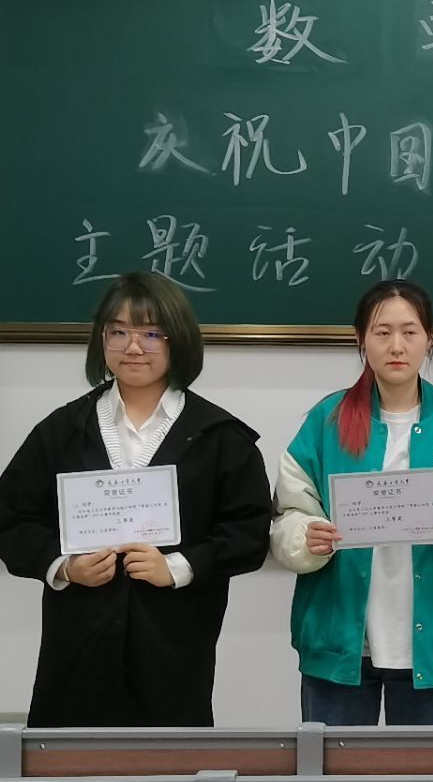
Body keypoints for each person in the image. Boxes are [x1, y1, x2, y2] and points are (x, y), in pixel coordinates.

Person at [0, 272, 270, 727]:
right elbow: (12, 519)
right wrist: (64, 567)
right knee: (69, 763)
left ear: (178, 339)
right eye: (118, 332)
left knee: (168, 764)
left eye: (151, 333)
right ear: (101, 340)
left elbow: (248, 533)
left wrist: (178, 567)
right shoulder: (63, 430)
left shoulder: (220, 437)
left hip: (173, 647)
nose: (133, 347)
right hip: (78, 647)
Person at [270, 280, 433, 725]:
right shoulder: (328, 418)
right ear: (361, 339)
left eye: (409, 332)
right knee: (331, 769)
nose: (396, 346)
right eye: (382, 332)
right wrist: (305, 537)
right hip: (340, 638)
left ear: (429, 338)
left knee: (423, 770)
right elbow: (291, 510)